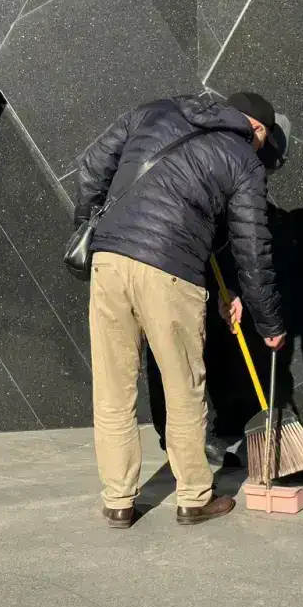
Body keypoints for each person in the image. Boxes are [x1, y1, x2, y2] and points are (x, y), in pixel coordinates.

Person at [75, 91, 285, 528]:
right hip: (170, 272)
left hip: (109, 261)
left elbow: (93, 167)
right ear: (257, 128)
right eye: (263, 143)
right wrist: (269, 321)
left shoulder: (154, 110)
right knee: (184, 387)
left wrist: (93, 222)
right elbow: (252, 246)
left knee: (113, 389)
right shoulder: (242, 157)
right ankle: (192, 496)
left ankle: (118, 500)